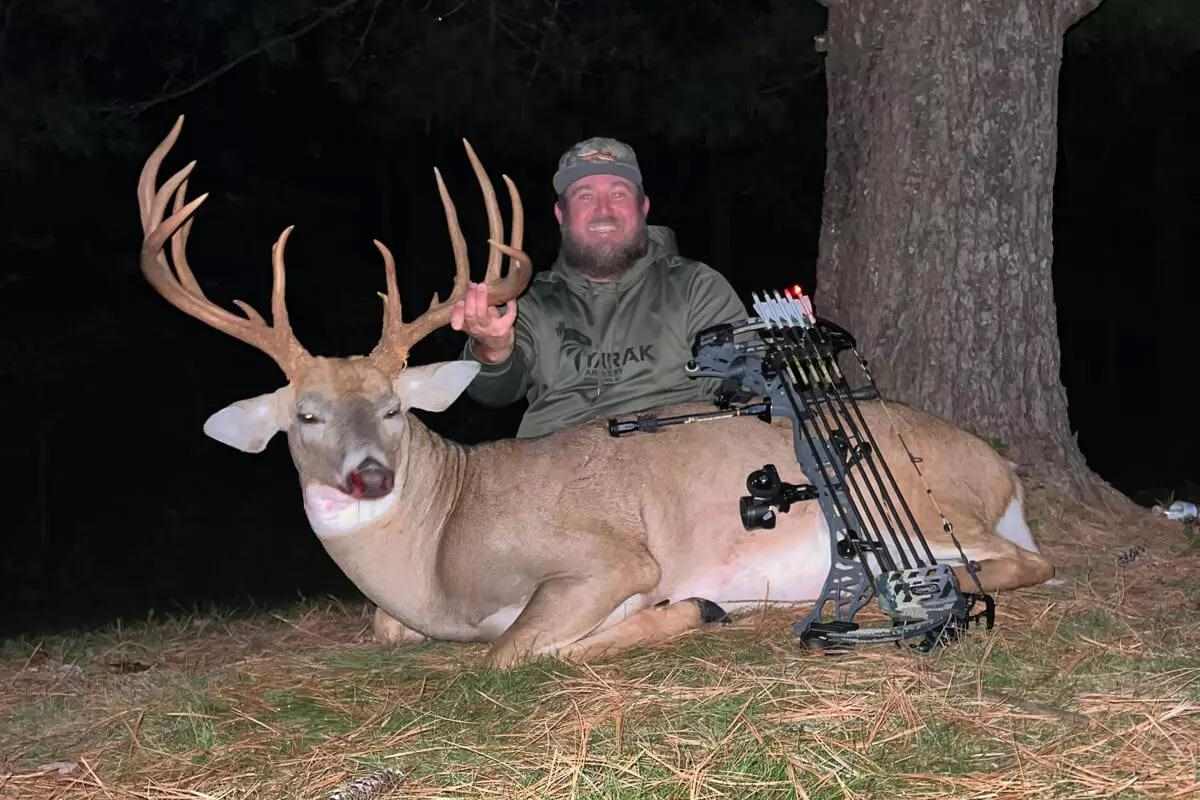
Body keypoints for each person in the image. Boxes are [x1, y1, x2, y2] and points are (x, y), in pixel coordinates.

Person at [450, 136, 748, 438]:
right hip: (552, 470)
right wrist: (493, 350)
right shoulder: (531, 302)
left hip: (672, 462)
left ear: (643, 207)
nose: (603, 211)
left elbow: (739, 386)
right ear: (560, 214)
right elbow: (493, 392)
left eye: (619, 195)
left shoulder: (695, 288)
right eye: (585, 196)